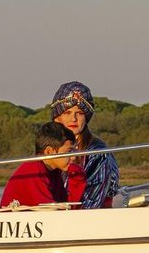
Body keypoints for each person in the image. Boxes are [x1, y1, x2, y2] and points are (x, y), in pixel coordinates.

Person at [49, 80, 119, 208]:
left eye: (80, 113)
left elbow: (91, 202)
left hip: (90, 220)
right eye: (67, 113)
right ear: (57, 118)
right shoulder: (48, 149)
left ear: (86, 118)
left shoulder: (97, 151)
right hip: (53, 218)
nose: (73, 119)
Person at [0, 122, 77, 208]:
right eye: (69, 151)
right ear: (49, 152)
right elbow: (50, 209)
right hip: (15, 219)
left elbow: (67, 204)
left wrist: (77, 179)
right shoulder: (33, 170)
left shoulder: (55, 171)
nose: (73, 157)